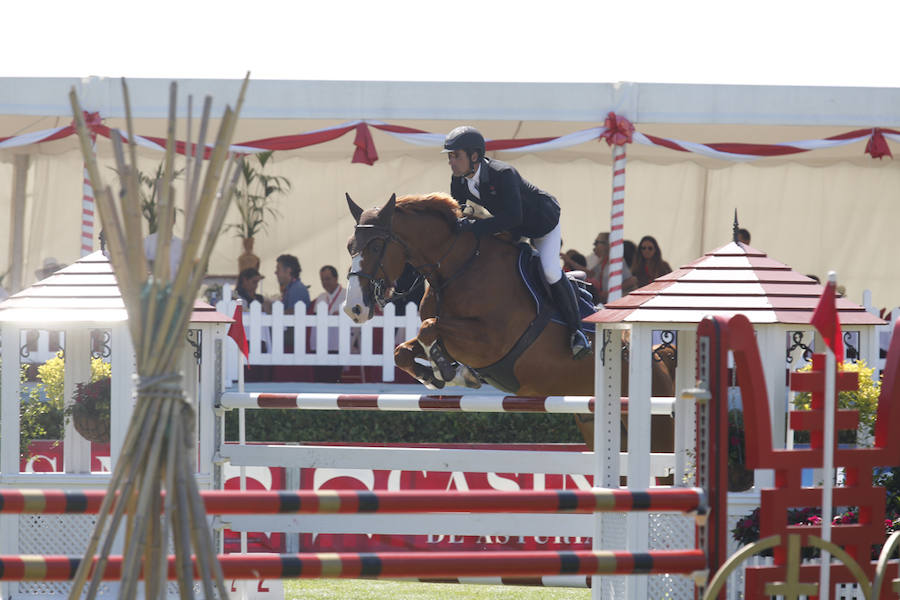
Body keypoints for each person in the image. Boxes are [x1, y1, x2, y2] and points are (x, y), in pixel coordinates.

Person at [444, 125, 590, 359]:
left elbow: (514, 216)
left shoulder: (503, 173)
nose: (451, 162)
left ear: (474, 156)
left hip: (541, 223)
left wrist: (476, 227)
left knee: (551, 271)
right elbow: (459, 211)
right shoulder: (459, 180)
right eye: (450, 156)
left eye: (456, 156)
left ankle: (577, 332)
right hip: (512, 227)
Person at [311, 265, 347, 382]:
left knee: (334, 377)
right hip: (321, 343)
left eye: (327, 279)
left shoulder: (347, 295)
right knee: (320, 378)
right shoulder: (321, 298)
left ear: (336, 278)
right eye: (322, 279)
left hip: (339, 344)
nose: (325, 282)